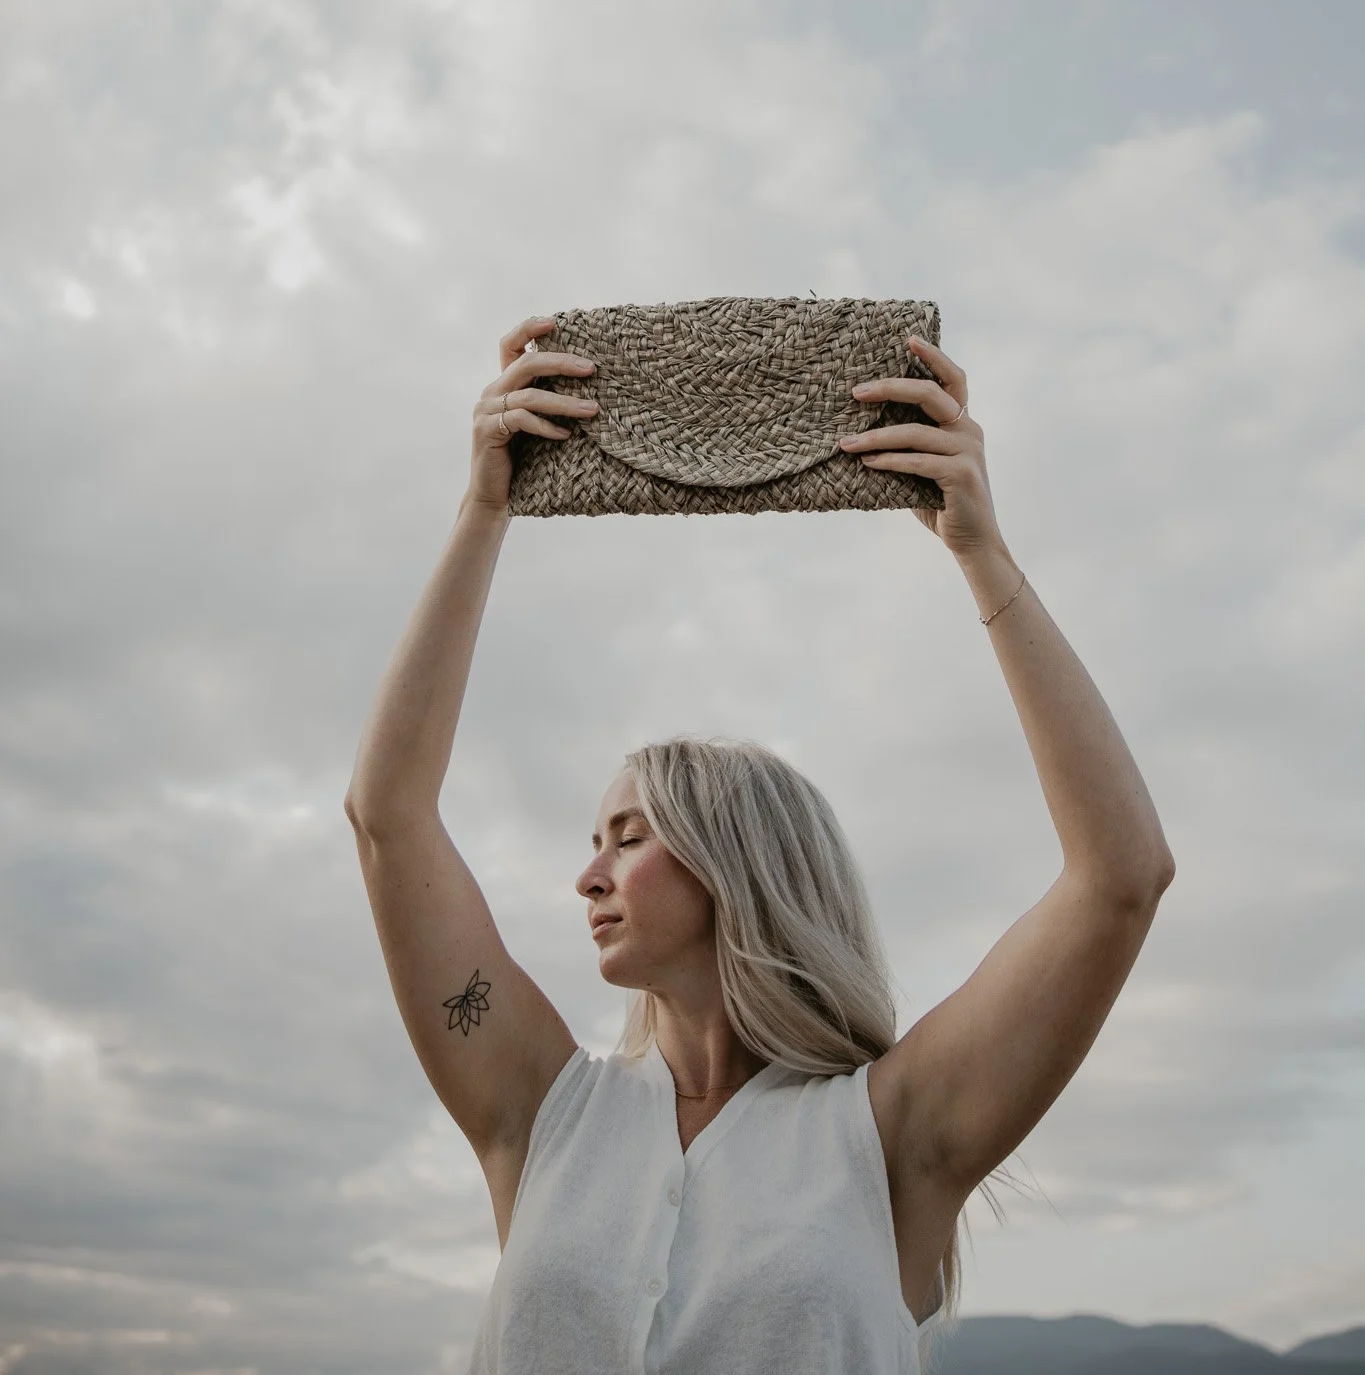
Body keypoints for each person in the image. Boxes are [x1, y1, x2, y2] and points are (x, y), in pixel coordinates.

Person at [345, 314, 1175, 1375]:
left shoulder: (888, 1134)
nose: (588, 873)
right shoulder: (544, 1109)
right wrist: (482, 511)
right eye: (594, 839)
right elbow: (389, 816)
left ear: (739, 866)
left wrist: (980, 551)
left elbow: (1120, 877)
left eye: (631, 835)